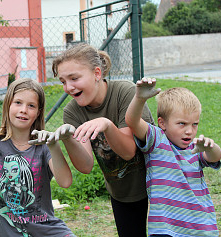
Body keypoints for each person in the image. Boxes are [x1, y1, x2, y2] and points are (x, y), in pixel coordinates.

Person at [49, 43, 155, 237]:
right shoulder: (72, 112)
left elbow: (128, 151)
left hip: (158, 184)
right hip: (121, 191)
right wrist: (68, 140)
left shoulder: (125, 92)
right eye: (63, 81)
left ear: (97, 73)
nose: (68, 87)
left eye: (74, 78)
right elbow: (86, 166)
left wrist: (106, 124)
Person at [125, 78, 221, 237]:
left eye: (194, 124)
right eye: (182, 124)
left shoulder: (195, 147)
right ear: (162, 123)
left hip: (200, 228)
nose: (189, 131)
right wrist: (139, 98)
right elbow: (132, 121)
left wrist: (211, 147)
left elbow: (214, 157)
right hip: (165, 228)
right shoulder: (157, 141)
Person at [0, 78, 75, 236]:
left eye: (31, 105)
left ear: (38, 112)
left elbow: (65, 182)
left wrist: (53, 145)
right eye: (18, 102)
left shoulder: (44, 145)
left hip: (46, 229)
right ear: (8, 104)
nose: (23, 110)